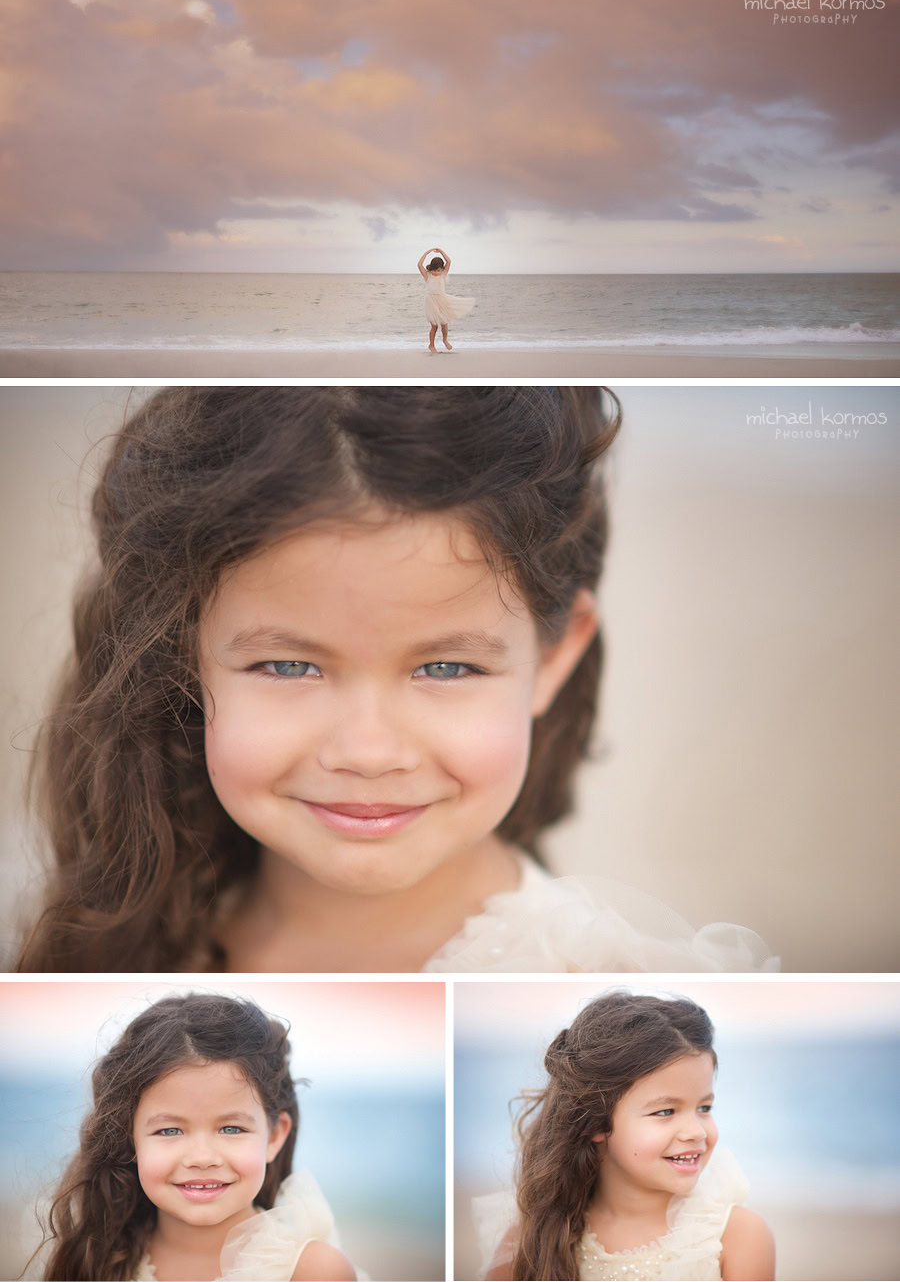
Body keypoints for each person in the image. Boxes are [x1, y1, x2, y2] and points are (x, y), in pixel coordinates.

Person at [17, 386, 773, 977]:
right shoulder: (106, 947)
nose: (369, 752)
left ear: (553, 657)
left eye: (446, 667)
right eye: (288, 665)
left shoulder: (602, 986)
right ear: (181, 653)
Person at [35, 991, 357, 1282]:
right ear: (129, 1138)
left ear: (274, 1137)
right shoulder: (96, 1260)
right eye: (170, 1130)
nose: (202, 1158)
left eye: (232, 1129)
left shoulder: (312, 1272)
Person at [478, 990, 775, 1282]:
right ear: (596, 1122)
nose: (696, 1131)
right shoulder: (534, 1237)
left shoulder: (736, 1237)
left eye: (704, 1107)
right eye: (665, 1111)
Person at [416, 247, 475, 353]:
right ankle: (431, 345)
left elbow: (448, 261)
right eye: (434, 270)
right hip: (431, 301)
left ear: (442, 269)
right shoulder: (427, 275)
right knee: (434, 325)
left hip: (442, 300)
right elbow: (419, 265)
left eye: (438, 270)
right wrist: (426, 253)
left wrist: (441, 251)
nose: (435, 273)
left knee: (444, 323)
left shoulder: (443, 274)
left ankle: (445, 340)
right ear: (430, 269)